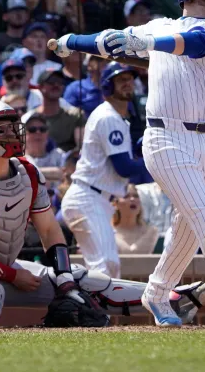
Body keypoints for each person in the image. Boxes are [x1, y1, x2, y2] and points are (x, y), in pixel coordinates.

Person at [49, 0, 205, 328]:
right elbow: (110, 41)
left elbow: (198, 44)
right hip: (165, 136)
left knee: (187, 227)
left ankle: (156, 293)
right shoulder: (159, 26)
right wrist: (68, 42)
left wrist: (147, 41)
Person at [0, 101, 205, 328]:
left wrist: (62, 278)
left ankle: (174, 299)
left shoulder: (29, 174)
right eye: (2, 129)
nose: (13, 133)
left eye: (12, 126)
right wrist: (14, 276)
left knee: (81, 281)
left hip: (2, 267)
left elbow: (50, 231)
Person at [60, 63, 147, 279]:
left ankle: (95, 313)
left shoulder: (116, 119)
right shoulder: (109, 117)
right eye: (121, 80)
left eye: (129, 79)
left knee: (109, 268)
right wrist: (153, 160)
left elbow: (124, 161)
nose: (127, 83)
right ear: (108, 86)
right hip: (88, 197)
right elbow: (125, 168)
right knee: (103, 269)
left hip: (97, 199)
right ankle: (85, 312)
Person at [113, 184, 159, 254]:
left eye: (136, 196)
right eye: (126, 196)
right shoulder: (107, 231)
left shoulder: (151, 232)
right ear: (116, 204)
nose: (132, 199)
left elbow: (133, 254)